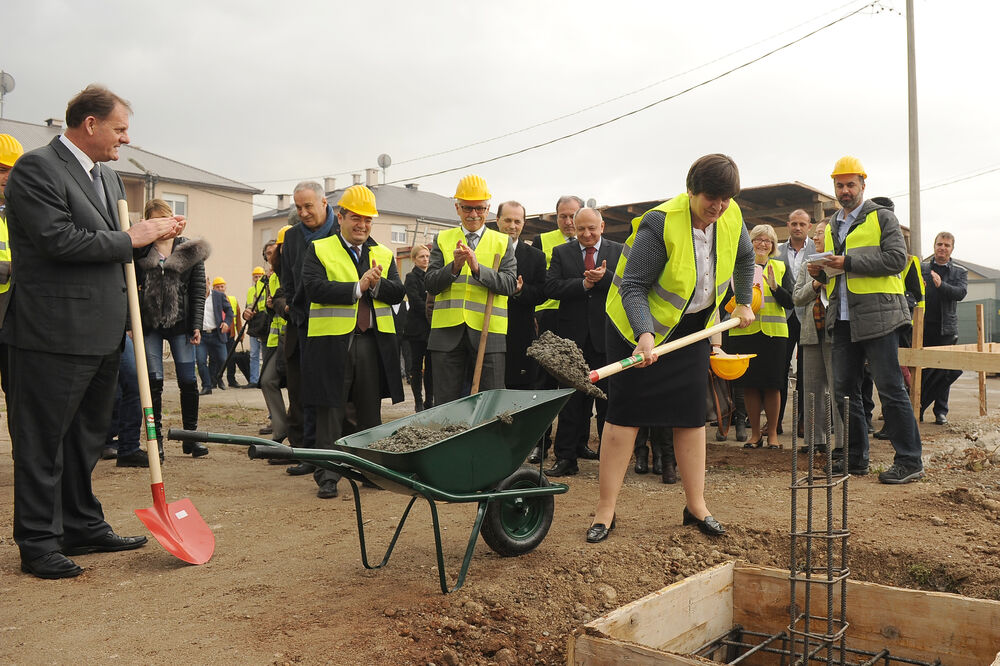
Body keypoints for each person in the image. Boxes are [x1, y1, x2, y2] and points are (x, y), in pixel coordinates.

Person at [4, 84, 185, 578]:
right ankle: (39, 541)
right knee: (43, 441)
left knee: (85, 437)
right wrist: (133, 236)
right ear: (90, 124)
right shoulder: (37, 169)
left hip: (103, 332)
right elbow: (57, 240)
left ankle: (80, 524)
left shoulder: (105, 178)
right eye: (120, 129)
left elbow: (117, 252)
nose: (125, 139)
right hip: (50, 333)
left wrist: (156, 242)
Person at [587, 154, 755, 543]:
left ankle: (696, 505)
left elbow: (745, 257)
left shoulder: (731, 217)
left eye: (726, 198)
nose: (718, 206)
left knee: (691, 416)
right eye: (711, 197)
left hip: (690, 331)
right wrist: (645, 334)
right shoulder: (660, 223)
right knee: (625, 417)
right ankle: (605, 509)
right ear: (692, 190)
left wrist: (743, 300)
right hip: (635, 327)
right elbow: (632, 287)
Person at [813, 156, 923, 484]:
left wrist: (847, 262)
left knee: (890, 387)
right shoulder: (832, 224)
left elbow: (895, 260)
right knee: (845, 391)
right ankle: (856, 457)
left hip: (880, 316)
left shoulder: (882, 218)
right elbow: (837, 271)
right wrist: (821, 270)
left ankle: (909, 460)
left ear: (863, 184)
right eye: (839, 185)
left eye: (850, 184)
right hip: (843, 318)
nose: (844, 191)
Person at [301, 185, 405, 499]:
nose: (362, 225)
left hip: (372, 343)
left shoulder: (384, 254)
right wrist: (357, 287)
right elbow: (314, 289)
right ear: (342, 217)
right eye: (356, 218)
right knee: (330, 410)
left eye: (368, 220)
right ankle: (328, 475)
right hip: (332, 343)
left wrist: (375, 286)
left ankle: (371, 472)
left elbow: (398, 292)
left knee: (369, 411)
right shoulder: (319, 248)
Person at [424, 174, 517, 404]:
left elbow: (509, 284)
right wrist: (454, 267)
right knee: (445, 404)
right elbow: (430, 283)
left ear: (488, 208)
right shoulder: (442, 239)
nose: (473, 214)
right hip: (446, 333)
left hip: (490, 333)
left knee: (491, 403)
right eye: (467, 208)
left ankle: (487, 441)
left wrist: (477, 268)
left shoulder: (502, 242)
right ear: (457, 207)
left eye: (479, 208)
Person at [544, 208, 622, 476]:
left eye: (592, 228)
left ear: (602, 226)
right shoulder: (561, 253)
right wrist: (583, 285)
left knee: (607, 403)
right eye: (581, 230)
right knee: (571, 402)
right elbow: (550, 287)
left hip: (607, 338)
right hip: (572, 341)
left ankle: (610, 459)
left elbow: (629, 285)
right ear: (573, 229)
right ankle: (565, 458)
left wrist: (605, 279)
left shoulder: (619, 251)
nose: (586, 234)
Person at [134, 198, 210, 458]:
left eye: (165, 219)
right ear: (148, 222)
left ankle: (191, 438)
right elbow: (128, 288)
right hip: (150, 324)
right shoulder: (140, 250)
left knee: (188, 381)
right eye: (155, 221)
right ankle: (157, 443)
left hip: (182, 324)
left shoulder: (189, 249)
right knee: (153, 382)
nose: (162, 226)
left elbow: (199, 289)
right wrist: (129, 323)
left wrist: (197, 324)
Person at [281, 182, 339, 477]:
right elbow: (287, 280)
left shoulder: (339, 233)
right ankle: (308, 453)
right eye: (298, 207)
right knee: (306, 392)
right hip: (304, 326)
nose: (303, 213)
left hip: (337, 326)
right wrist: (293, 309)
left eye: (308, 206)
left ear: (324, 202)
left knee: (333, 395)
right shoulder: (291, 239)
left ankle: (336, 456)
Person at [726, 224, 794, 449]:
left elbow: (791, 301)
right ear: (750, 242)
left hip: (774, 335)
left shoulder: (781, 267)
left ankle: (772, 434)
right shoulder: (736, 266)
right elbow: (725, 299)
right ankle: (755, 434)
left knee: (773, 385)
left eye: (768, 241)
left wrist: (775, 287)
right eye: (758, 239)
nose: (763, 244)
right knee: (750, 385)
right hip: (745, 332)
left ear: (774, 245)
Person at [792, 219, 843, 453]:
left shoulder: (840, 264)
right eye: (816, 234)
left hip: (835, 333)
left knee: (838, 389)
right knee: (812, 388)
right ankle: (815, 440)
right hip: (812, 332)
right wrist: (814, 284)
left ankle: (842, 445)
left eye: (822, 233)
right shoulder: (807, 265)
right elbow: (797, 297)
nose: (818, 238)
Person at [496, 200, 546, 391]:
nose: (512, 226)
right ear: (498, 220)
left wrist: (520, 291)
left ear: (524, 223)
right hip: (484, 331)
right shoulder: (481, 252)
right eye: (507, 220)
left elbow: (542, 293)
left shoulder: (536, 257)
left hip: (519, 335)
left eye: (517, 221)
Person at [919, 232, 967, 425]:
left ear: (952, 249)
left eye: (947, 245)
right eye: (940, 244)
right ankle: (918, 407)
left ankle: (940, 411)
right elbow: (909, 290)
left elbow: (960, 293)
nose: (942, 248)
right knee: (922, 371)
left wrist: (941, 285)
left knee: (943, 370)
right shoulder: (922, 268)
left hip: (945, 329)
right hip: (922, 327)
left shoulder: (959, 272)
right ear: (934, 246)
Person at [776, 209, 814, 436]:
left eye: (802, 224)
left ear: (809, 226)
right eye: (794, 224)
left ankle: (803, 420)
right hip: (784, 316)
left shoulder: (817, 249)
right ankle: (775, 420)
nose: (797, 227)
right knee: (780, 369)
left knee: (806, 372)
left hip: (809, 315)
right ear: (788, 225)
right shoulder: (777, 251)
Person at [260, 226, 290, 450]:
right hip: (277, 339)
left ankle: (298, 436)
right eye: (269, 253)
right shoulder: (271, 278)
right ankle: (280, 430)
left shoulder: (300, 269)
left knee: (298, 389)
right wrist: (273, 307)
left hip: (297, 336)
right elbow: (272, 308)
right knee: (268, 380)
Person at [0, 133, 25, 395]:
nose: (8, 177)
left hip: (14, 316)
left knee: (17, 392)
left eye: (14, 170)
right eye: (1, 169)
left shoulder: (26, 212)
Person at [403, 243, 434, 411]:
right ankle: (418, 401)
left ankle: (430, 400)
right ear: (414, 259)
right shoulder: (411, 277)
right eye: (422, 256)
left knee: (430, 367)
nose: (425, 259)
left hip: (430, 329)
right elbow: (415, 301)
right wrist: (431, 310)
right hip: (416, 329)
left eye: (427, 256)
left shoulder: (432, 276)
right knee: (416, 366)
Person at [197, 276, 234, 395]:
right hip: (201, 336)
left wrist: (226, 323)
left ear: (208, 282)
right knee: (201, 361)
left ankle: (217, 378)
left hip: (216, 334)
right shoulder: (195, 297)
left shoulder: (218, 296)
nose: (203, 285)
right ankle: (207, 386)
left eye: (204, 282)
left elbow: (229, 311)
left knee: (223, 359)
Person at [243, 262, 270, 389]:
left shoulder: (267, 286)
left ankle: (263, 379)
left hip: (264, 324)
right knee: (254, 354)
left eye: (260, 276)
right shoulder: (250, 291)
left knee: (265, 354)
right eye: (255, 276)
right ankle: (253, 380)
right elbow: (247, 306)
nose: (258, 278)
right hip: (254, 325)